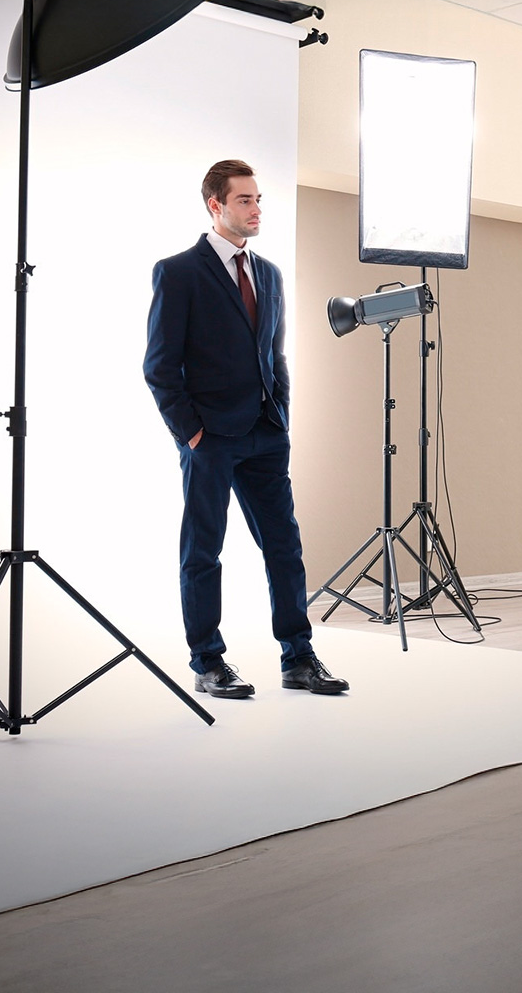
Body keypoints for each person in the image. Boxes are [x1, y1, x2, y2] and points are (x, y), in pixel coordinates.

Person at [143, 159, 348, 699]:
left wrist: (281, 416)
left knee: (285, 547)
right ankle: (208, 662)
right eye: (244, 200)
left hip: (265, 433)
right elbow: (159, 366)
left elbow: (275, 355)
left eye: (258, 199)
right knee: (203, 552)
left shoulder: (270, 274)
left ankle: (298, 658)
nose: (256, 209)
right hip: (209, 438)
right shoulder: (178, 272)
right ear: (216, 206)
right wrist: (191, 434)